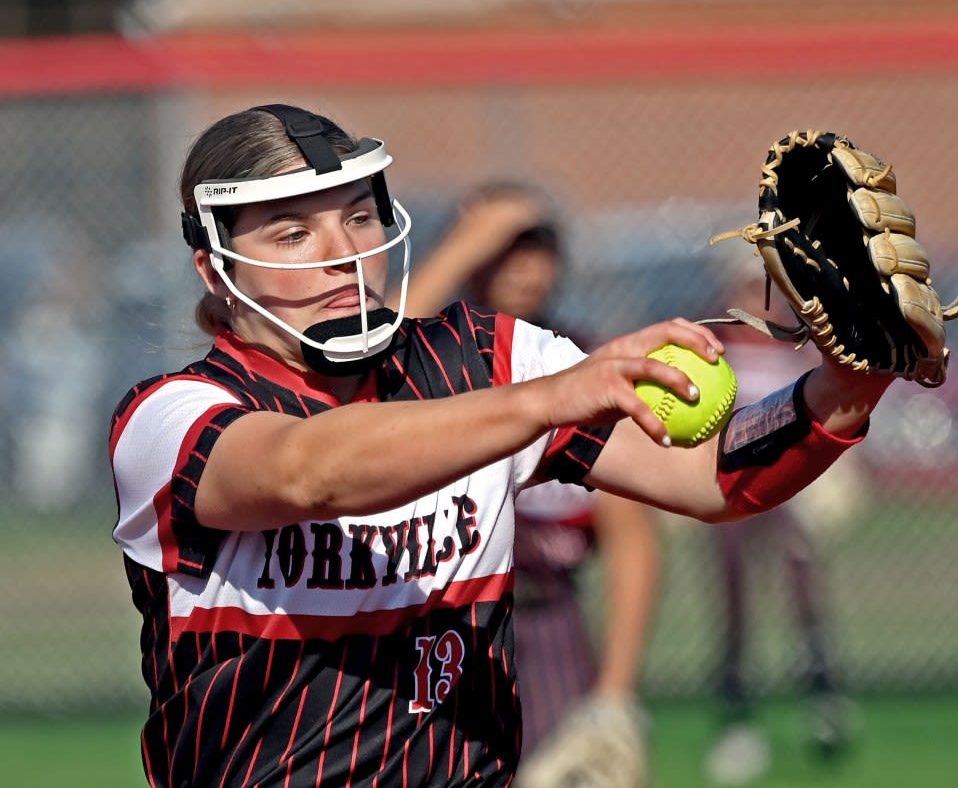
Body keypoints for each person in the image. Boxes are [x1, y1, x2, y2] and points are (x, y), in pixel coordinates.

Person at [108, 103, 895, 788]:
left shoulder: (485, 356)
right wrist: (549, 399)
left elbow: (711, 481)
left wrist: (845, 388)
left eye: (356, 216)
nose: (343, 252)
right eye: (291, 232)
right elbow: (310, 471)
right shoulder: (168, 417)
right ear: (215, 269)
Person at [392, 181, 660, 782]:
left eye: (538, 247)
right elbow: (375, 353)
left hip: (546, 625)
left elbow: (630, 537)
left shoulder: (582, 365)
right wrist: (467, 242)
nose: (525, 266)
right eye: (506, 247)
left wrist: (615, 693)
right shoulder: (427, 358)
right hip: (432, 622)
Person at [702, 264, 861, 786]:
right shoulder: (714, 342)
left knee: (803, 587)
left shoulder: (801, 344)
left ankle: (823, 698)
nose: (759, 299)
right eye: (748, 287)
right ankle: (737, 719)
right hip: (731, 491)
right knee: (734, 593)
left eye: (768, 289)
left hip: (790, 492)